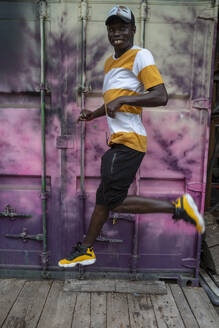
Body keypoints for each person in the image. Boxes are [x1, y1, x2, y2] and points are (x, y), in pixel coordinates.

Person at [58, 5, 205, 268]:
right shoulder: (110, 62)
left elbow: (161, 96)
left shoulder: (140, 55)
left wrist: (125, 99)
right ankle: (86, 249)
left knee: (113, 201)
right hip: (118, 140)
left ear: (133, 30)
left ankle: (178, 208)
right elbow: (115, 101)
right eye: (112, 28)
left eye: (123, 27)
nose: (117, 32)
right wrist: (94, 114)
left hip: (129, 142)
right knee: (104, 200)